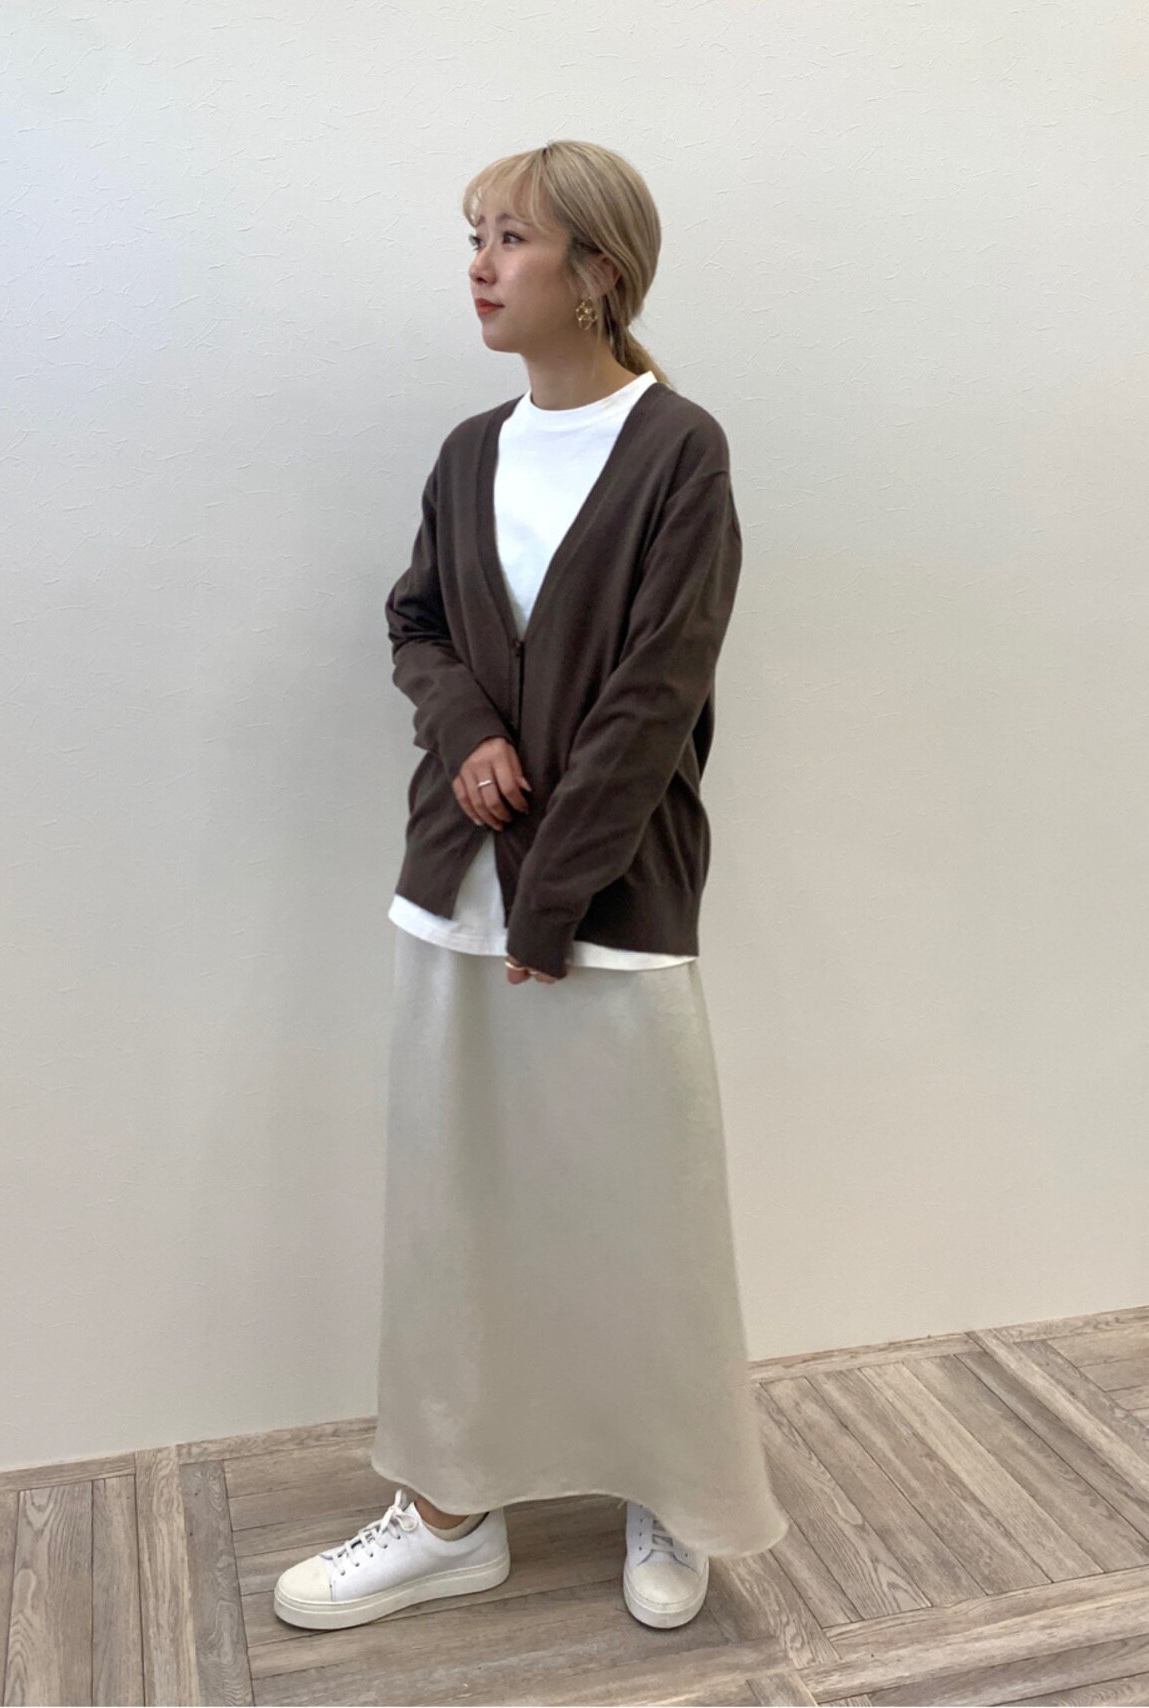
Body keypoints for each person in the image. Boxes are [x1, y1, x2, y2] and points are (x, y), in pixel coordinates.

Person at [274, 140, 789, 1639]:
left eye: (514, 238)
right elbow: (419, 624)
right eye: (475, 237)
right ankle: (450, 1510)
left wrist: (554, 899)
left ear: (600, 272)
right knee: (457, 1212)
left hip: (608, 907)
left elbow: (657, 693)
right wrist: (466, 733)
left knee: (643, 1214)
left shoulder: (679, 450)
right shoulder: (466, 452)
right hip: (453, 894)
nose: (482, 265)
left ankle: (671, 1485)